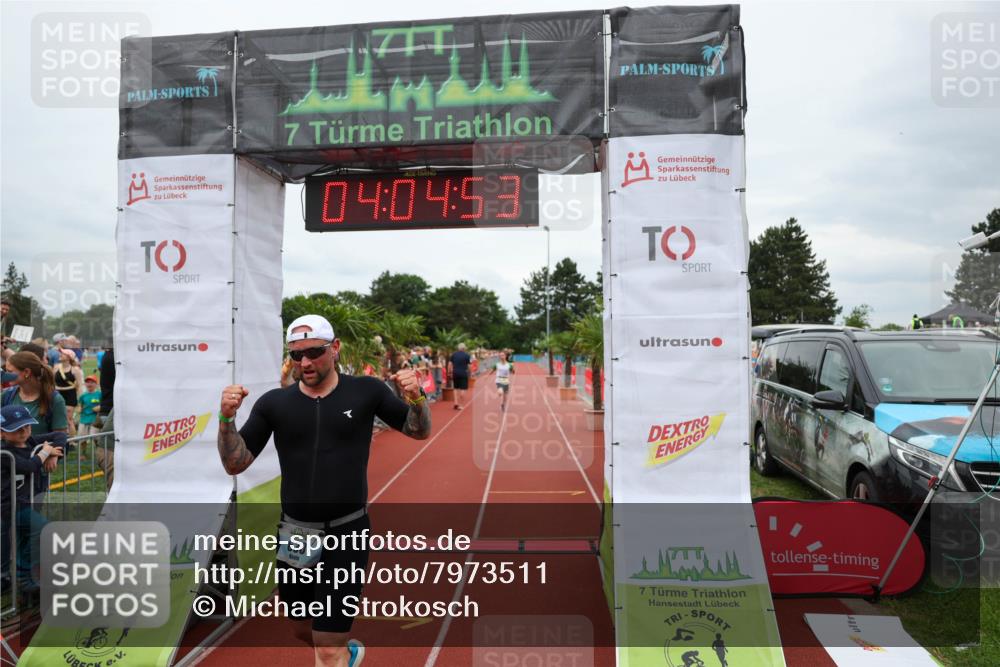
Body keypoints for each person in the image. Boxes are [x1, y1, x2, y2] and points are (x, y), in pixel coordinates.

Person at [216, 314, 431, 667]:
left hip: (347, 533)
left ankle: (336, 654)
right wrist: (225, 419)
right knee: (304, 630)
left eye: (314, 352)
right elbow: (235, 463)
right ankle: (348, 654)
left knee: (327, 646)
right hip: (296, 535)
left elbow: (418, 431)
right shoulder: (274, 404)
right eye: (296, 354)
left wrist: (416, 397)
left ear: (335, 348)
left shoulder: (366, 391)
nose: (304, 362)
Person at [1, 405, 66, 589]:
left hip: (26, 502)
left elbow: (59, 435)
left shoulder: (30, 441)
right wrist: (44, 453)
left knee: (23, 539)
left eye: (27, 426)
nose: (24, 432)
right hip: (10, 505)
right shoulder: (4, 453)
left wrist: (54, 453)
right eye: (16, 429)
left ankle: (25, 580)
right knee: (43, 530)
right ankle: (20, 577)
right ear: (2, 434)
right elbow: (28, 466)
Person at [3, 351, 68, 436]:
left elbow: (60, 438)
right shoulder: (6, 395)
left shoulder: (55, 400)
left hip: (41, 449)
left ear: (26, 372)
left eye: (10, 371)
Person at [54, 348, 83, 436]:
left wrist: (80, 401)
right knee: (57, 418)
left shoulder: (75, 370)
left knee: (68, 419)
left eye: (63, 354)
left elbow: (80, 386)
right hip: (58, 395)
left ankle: (71, 441)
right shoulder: (56, 367)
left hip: (70, 395)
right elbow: (51, 383)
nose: (60, 355)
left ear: (69, 357)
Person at [448, 343, 472, 410]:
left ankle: (456, 403)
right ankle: (461, 404)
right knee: (463, 388)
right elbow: (469, 366)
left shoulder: (453, 354)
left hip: (455, 373)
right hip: (463, 373)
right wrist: (470, 373)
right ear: (464, 348)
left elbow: (449, 364)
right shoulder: (467, 355)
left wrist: (449, 372)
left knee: (455, 388)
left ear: (458, 348)